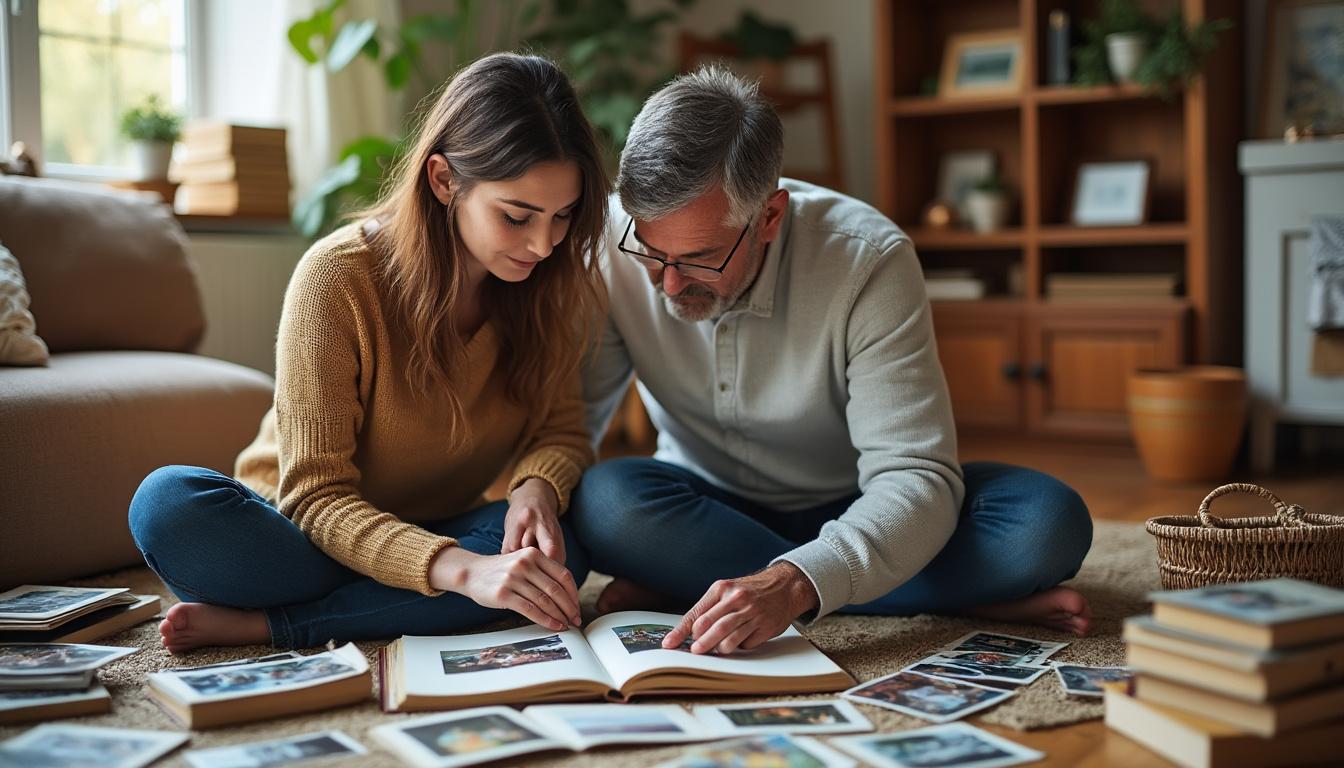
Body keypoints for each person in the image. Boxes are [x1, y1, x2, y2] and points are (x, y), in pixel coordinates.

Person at [572, 67, 1094, 656]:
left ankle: (699, 581)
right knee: (607, 501)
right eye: (650, 251)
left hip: (858, 501)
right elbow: (574, 422)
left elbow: (913, 475)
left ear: (769, 217)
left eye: (700, 258)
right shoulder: (613, 247)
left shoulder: (869, 260)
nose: (667, 286)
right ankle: (931, 593)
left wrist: (794, 582)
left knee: (1046, 525)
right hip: (705, 505)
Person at [127, 53, 609, 652]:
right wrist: (465, 572)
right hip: (299, 532)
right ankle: (376, 603)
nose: (543, 243)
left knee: (567, 543)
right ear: (444, 180)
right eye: (517, 216)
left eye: (563, 216)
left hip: (432, 530)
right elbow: (317, 498)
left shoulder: (547, 285)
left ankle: (279, 623)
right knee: (168, 506)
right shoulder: (338, 279)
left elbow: (562, 430)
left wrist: (535, 489)